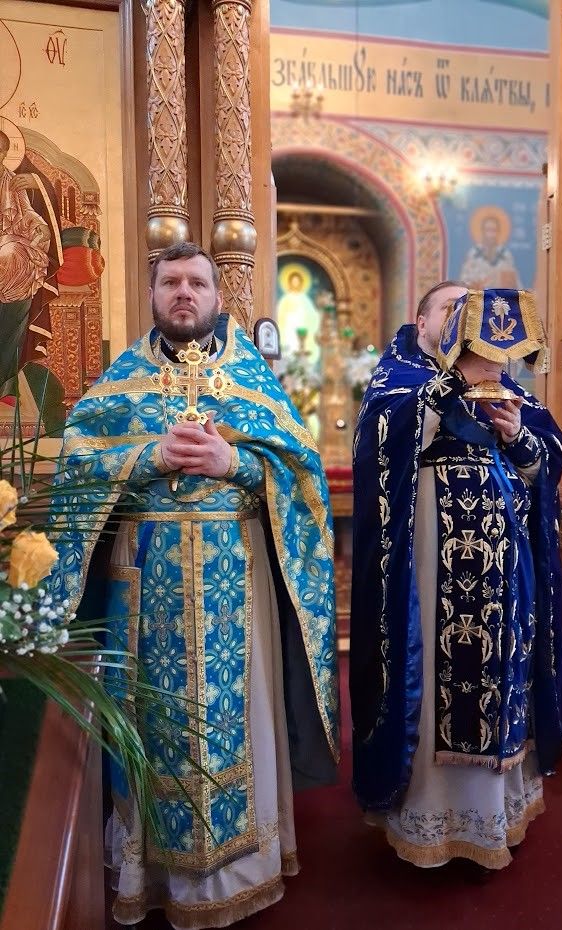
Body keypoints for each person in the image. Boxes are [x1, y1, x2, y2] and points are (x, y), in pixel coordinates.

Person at [48, 242, 339, 928]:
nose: (184, 292)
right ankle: (155, 876)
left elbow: (302, 473)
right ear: (152, 296)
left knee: (238, 719)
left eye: (197, 282)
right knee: (155, 723)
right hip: (146, 580)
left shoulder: (252, 378)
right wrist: (147, 456)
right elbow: (77, 464)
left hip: (236, 576)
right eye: (171, 282)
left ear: (216, 295)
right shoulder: (121, 381)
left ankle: (244, 869)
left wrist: (235, 461)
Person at [350, 281, 562, 872]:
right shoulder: (398, 380)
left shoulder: (508, 389)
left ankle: (492, 815)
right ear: (422, 322)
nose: (462, 317)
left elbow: (545, 464)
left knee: (503, 666)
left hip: (504, 572)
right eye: (450, 308)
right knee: (430, 671)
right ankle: (431, 815)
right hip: (426, 562)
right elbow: (381, 442)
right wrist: (452, 386)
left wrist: (515, 435)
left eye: (468, 308)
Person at [0, 128, 62, 377]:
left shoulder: (12, 182)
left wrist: (41, 227)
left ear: (5, 154)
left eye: (0, 151)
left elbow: (27, 214)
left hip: (9, 250)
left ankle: (5, 375)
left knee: (12, 254)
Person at [460, 212, 521, 290]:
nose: (491, 235)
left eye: (494, 230)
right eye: (488, 230)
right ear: (483, 231)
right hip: (478, 295)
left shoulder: (505, 255)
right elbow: (464, 281)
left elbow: (514, 283)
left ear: (498, 232)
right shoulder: (474, 254)